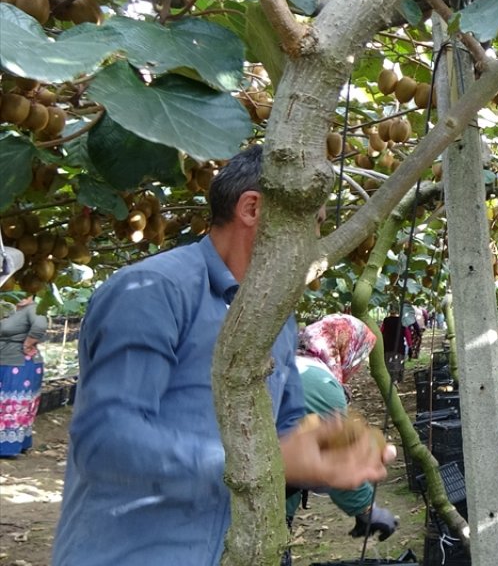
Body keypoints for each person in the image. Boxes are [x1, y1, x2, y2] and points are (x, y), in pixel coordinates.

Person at [52, 145, 391, 566]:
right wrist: (254, 463)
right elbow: (106, 439)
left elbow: (286, 427)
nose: (315, 241)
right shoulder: (153, 291)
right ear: (252, 208)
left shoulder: (277, 318)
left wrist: (328, 448)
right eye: (314, 223)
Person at [287, 314, 398, 542]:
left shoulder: (290, 362)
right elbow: (335, 457)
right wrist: (366, 509)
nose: (358, 367)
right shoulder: (322, 385)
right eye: (361, 358)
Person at [0, 293, 47, 458]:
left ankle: (8, 447)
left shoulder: (32, 309)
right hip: (7, 361)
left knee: (14, 405)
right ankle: (15, 444)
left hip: (20, 363)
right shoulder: (8, 308)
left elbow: (40, 326)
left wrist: (28, 343)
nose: (21, 295)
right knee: (6, 403)